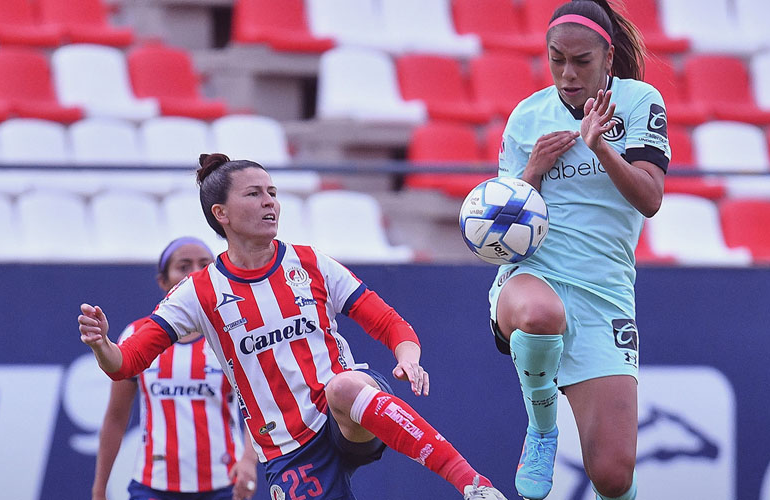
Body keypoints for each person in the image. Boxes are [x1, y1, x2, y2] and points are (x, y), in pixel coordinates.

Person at [78, 153, 509, 500]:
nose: (271, 202)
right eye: (255, 194)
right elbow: (126, 363)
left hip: (343, 412)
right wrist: (102, 344)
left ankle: (474, 485)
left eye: (273, 192)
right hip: (288, 447)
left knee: (343, 386)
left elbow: (390, 323)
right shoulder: (198, 292)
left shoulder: (309, 262)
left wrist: (408, 357)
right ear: (221, 213)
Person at [489, 1, 669, 499]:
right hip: (532, 276)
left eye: (581, 61)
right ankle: (542, 426)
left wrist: (601, 147)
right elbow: (500, 229)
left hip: (605, 293)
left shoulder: (638, 102)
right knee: (542, 313)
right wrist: (533, 172)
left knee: (614, 476)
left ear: (608, 57)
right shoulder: (527, 118)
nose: (567, 74)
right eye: (556, 59)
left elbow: (650, 199)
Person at [91, 237, 259, 500]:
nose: (194, 273)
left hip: (223, 485)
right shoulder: (136, 334)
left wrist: (249, 460)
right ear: (163, 281)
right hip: (153, 486)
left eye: (204, 265)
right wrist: (99, 488)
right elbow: (115, 418)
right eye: (183, 266)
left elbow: (258, 404)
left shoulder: (232, 334)